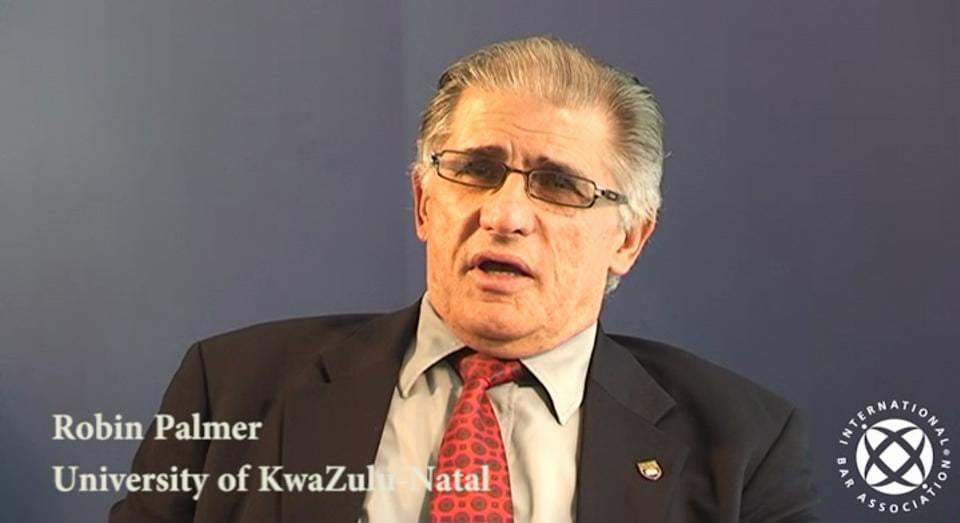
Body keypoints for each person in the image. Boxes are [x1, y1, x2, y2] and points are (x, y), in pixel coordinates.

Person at [111, 36, 818, 522]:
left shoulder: (744, 445)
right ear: (425, 202)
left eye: (559, 185)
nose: (504, 214)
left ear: (629, 239)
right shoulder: (230, 387)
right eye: (475, 170)